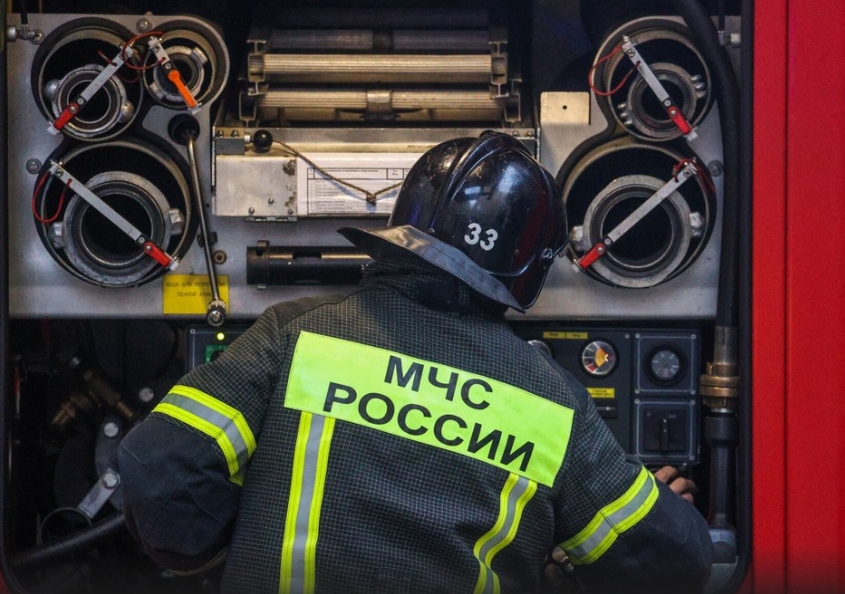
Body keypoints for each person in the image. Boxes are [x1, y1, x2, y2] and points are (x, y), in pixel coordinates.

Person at [117, 131, 713, 594]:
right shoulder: (550, 404)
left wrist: (233, 539)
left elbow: (159, 469)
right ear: (530, 267)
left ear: (400, 230)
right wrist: (650, 514)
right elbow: (673, 565)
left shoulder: (293, 335)